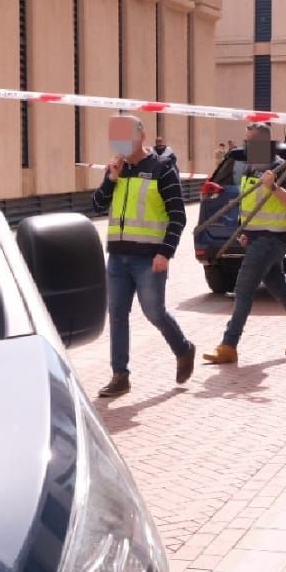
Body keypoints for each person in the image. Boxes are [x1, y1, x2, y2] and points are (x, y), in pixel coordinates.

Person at [92, 114, 196, 398]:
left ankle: (184, 349)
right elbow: (98, 206)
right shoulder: (117, 168)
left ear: (142, 136)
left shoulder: (162, 169)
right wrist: (110, 179)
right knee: (117, 315)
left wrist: (166, 252)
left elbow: (178, 216)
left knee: (154, 312)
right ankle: (120, 376)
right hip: (117, 257)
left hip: (149, 259)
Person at [204, 126, 286, 364]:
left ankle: (229, 344)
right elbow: (248, 203)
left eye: (248, 141)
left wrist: (273, 187)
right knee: (278, 286)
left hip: (272, 237)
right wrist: (244, 231)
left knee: (243, 289)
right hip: (256, 236)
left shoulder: (281, 168)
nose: (245, 145)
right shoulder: (250, 168)